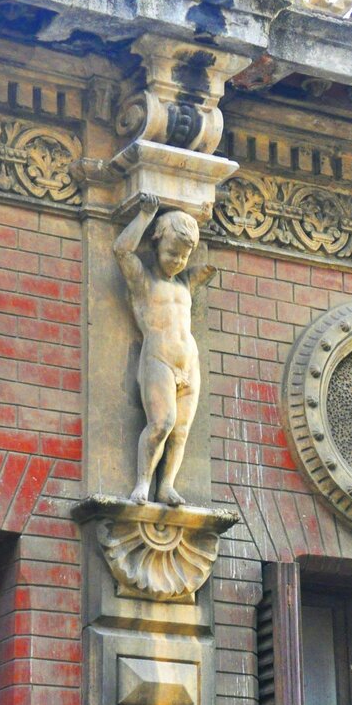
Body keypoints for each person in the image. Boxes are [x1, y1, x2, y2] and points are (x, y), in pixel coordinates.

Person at [114, 193, 217, 505]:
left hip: (189, 363)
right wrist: (146, 215)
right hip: (158, 358)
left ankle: (166, 485)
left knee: (180, 430)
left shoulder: (185, 283)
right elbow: (122, 250)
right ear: (156, 243)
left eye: (184, 257)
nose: (178, 261)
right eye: (172, 253)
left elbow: (201, 267)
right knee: (161, 424)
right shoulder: (143, 281)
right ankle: (143, 483)